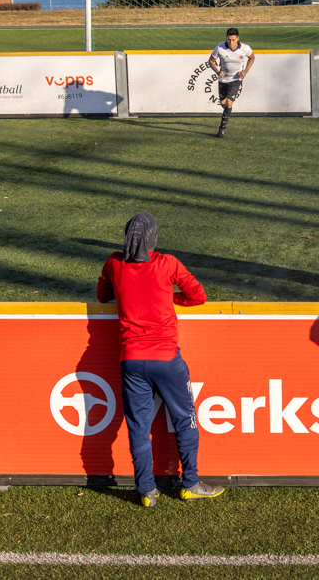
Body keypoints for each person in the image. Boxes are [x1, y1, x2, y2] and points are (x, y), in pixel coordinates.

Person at [97, 212, 224, 507]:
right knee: (185, 420)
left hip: (131, 360)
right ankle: (190, 484)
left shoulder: (114, 263)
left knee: (137, 428)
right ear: (154, 238)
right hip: (166, 359)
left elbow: (103, 296)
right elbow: (198, 296)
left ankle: (146, 491)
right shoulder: (168, 263)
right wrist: (170, 298)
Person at [207, 28, 255, 138]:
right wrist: (217, 72)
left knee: (229, 102)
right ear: (226, 38)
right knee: (223, 103)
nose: (231, 42)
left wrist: (245, 71)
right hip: (223, 80)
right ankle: (227, 113)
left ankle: (221, 128)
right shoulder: (220, 48)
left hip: (236, 79)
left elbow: (252, 58)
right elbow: (211, 61)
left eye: (233, 40)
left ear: (238, 39)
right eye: (229, 40)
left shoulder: (245, 48)